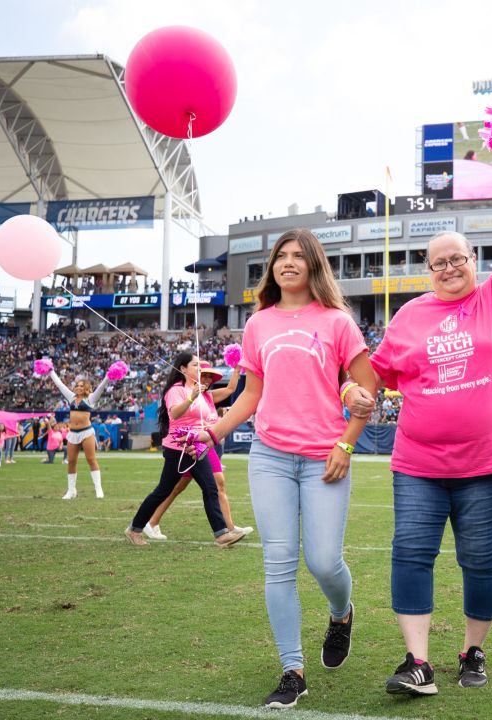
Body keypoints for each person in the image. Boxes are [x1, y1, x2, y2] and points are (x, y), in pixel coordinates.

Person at [345, 160, 492, 695]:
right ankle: (417, 662)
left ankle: (473, 650)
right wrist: (348, 388)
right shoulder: (409, 316)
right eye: (438, 263)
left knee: (479, 559)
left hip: (486, 462)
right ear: (427, 270)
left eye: (457, 258)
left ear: (474, 262)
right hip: (419, 463)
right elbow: (372, 375)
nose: (448, 267)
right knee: (410, 552)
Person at [187, 228, 376, 708]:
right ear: (271, 267)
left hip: (325, 458)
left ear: (314, 265)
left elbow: (366, 390)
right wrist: (215, 430)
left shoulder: (337, 321)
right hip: (269, 456)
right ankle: (292, 670)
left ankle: (341, 613)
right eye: (281, 257)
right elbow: (250, 393)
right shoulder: (259, 324)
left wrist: (346, 446)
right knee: (278, 564)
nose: (288, 263)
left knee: (324, 561)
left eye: (298, 256)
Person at [125, 354, 246, 549]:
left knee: (210, 487)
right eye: (195, 365)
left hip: (197, 446)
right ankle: (135, 528)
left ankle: (222, 534)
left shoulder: (203, 392)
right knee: (163, 491)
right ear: (183, 369)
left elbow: (224, 395)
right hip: (177, 448)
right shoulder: (177, 390)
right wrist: (191, 397)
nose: (200, 368)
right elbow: (174, 413)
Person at [48, 367, 121, 499]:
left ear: (86, 388)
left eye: (81, 386)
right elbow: (60, 384)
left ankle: (98, 489)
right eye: (77, 385)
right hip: (73, 433)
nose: (78, 387)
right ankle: (71, 491)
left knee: (91, 459)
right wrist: (51, 371)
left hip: (86, 432)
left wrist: (108, 376)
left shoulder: (91, 399)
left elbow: (101, 387)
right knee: (71, 461)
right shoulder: (71, 397)